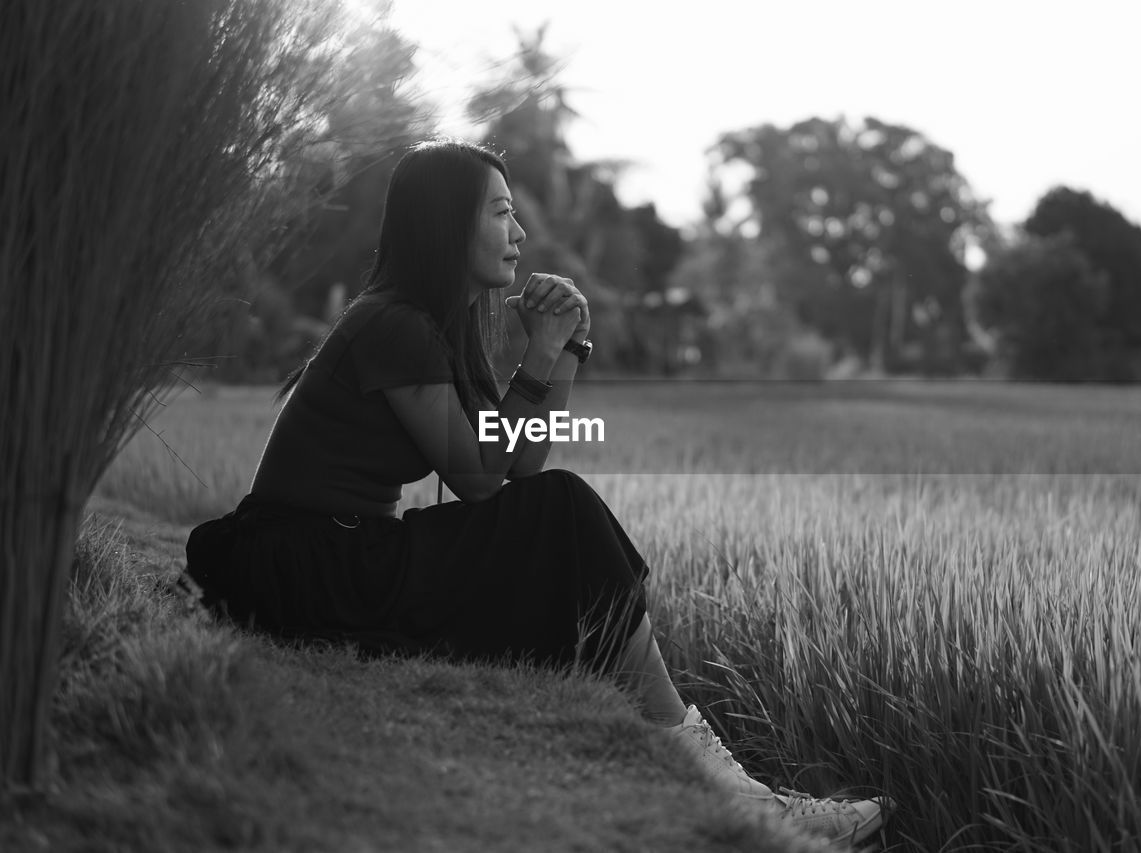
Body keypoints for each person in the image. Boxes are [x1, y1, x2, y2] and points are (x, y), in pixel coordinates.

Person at [184, 138, 890, 847]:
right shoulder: (394, 325)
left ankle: (707, 764)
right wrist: (541, 349)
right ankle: (717, 775)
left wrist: (566, 348)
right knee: (565, 509)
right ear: (445, 224)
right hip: (310, 564)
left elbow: (517, 465)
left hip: (337, 556)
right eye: (500, 213)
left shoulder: (435, 328)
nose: (519, 234)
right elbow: (483, 477)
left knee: (561, 508)